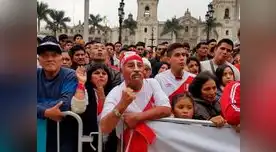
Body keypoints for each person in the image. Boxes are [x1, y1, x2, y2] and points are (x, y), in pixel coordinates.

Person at [100, 51, 171, 152]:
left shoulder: (152, 83)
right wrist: (122, 104)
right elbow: (104, 128)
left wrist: (137, 117)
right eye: (131, 66)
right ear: (121, 70)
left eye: (140, 65)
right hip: (127, 146)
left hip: (156, 145)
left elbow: (166, 109)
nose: (137, 69)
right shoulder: (115, 93)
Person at [37, 39, 78, 152]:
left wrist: (37, 107)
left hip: (62, 132)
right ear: (39, 60)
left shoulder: (69, 75)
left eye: (54, 55)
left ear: (61, 59)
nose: (50, 59)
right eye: (45, 56)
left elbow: (64, 104)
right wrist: (46, 112)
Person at [70, 64, 113, 152]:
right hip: (86, 140)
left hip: (108, 141)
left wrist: (102, 96)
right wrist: (81, 83)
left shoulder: (113, 93)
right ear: (89, 78)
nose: (101, 75)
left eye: (104, 74)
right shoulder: (84, 90)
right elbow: (77, 109)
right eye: (96, 73)